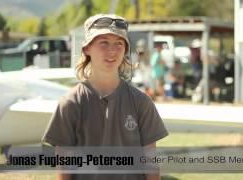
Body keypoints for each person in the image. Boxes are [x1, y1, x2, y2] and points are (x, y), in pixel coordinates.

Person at [42, 14, 168, 180]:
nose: (112, 51)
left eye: (119, 44)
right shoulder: (70, 103)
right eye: (104, 43)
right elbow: (64, 169)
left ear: (125, 50)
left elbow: (151, 165)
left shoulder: (141, 102)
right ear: (86, 48)